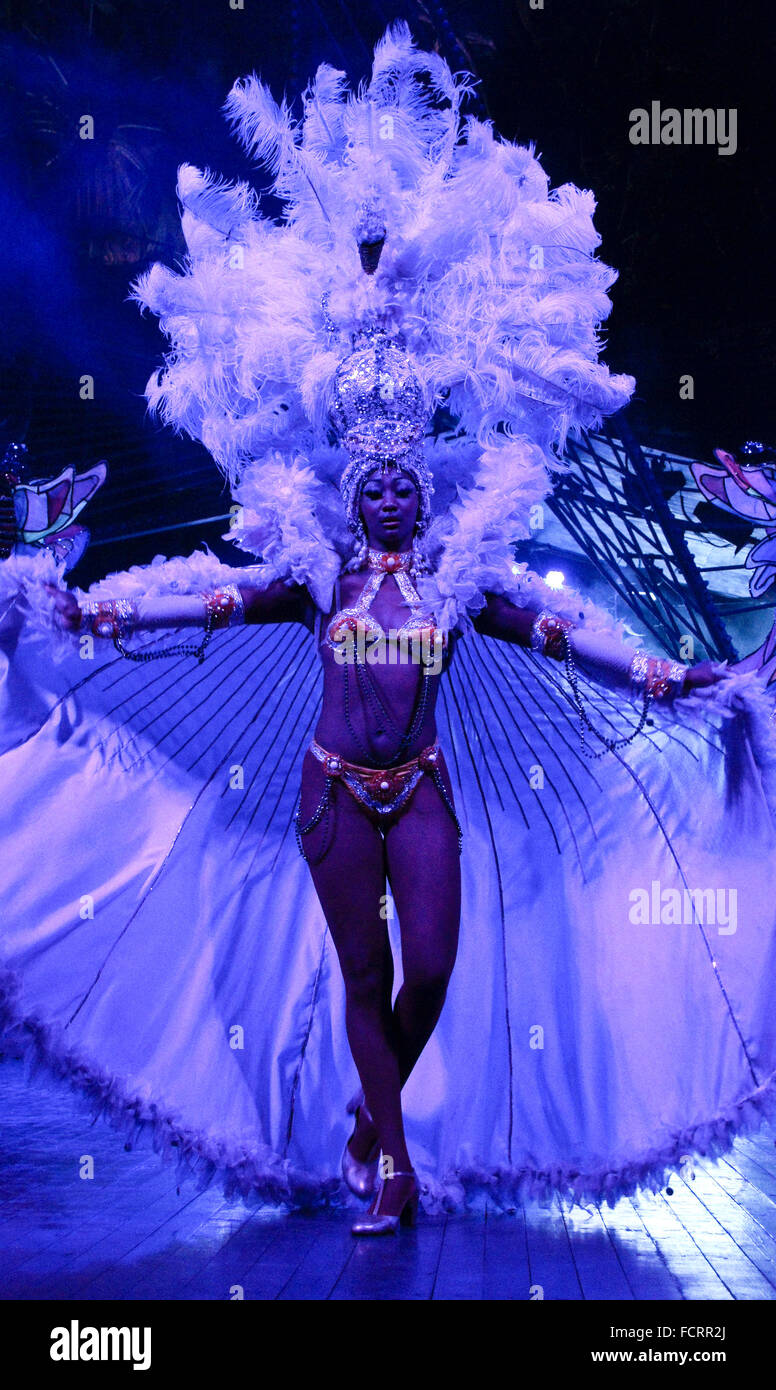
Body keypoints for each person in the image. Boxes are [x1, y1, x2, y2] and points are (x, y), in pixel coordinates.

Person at [4, 21, 776, 1232]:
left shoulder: (467, 581)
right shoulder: (307, 573)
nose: (390, 488)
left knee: (429, 971)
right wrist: (87, 608)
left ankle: (371, 1119)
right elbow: (195, 588)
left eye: (406, 475)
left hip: (416, 789)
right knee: (363, 979)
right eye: (372, 477)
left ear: (426, 480)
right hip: (326, 790)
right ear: (345, 481)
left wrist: (673, 675)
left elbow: (571, 634)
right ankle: (393, 1163)